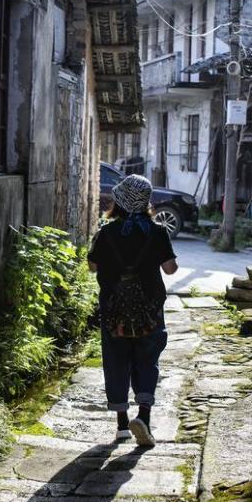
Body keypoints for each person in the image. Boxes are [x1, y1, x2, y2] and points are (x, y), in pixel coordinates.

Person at [87, 174, 178, 448]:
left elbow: (92, 267)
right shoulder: (157, 231)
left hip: (114, 309)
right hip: (149, 308)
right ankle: (145, 417)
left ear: (120, 201)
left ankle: (122, 426)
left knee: (116, 360)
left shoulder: (106, 233)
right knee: (147, 358)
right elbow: (170, 269)